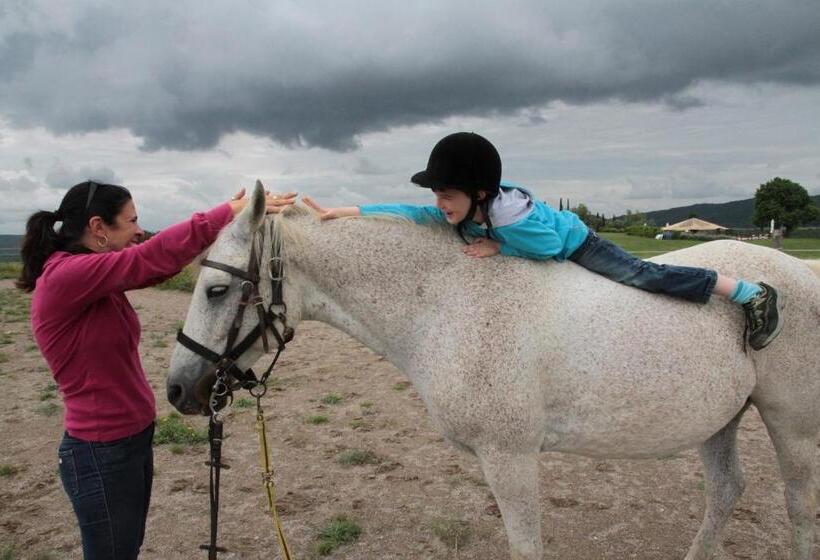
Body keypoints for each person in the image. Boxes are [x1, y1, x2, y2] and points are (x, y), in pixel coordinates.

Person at [16, 180, 296, 559]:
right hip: (101, 451)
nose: (139, 230)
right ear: (98, 227)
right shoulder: (67, 275)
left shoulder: (91, 278)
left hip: (127, 441)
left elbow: (154, 269)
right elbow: (149, 258)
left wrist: (226, 226)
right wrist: (223, 214)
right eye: (131, 221)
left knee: (124, 549)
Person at [302, 132, 783, 351]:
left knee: (643, 275)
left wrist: (499, 248)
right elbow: (412, 213)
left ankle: (748, 293)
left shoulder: (511, 219)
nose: (439, 204)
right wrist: (348, 211)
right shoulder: (465, 207)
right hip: (536, 236)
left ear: (479, 194)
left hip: (577, 244)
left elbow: (549, 250)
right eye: (438, 194)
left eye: (447, 194)